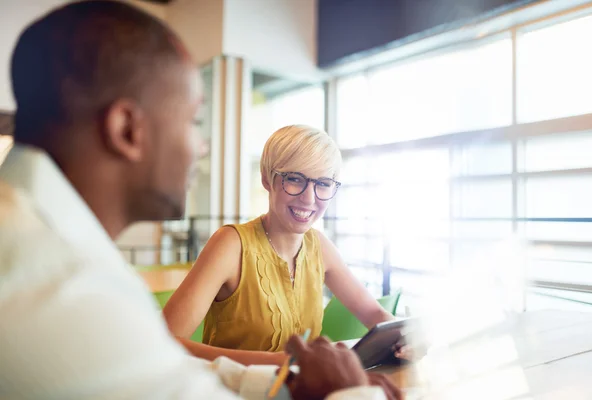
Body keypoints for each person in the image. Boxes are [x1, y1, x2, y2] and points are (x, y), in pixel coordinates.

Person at [0, 1, 401, 399]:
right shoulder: (60, 288)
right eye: (193, 120)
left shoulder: (45, 241)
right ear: (126, 129)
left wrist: (291, 380)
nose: (202, 147)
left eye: (323, 184)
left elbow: (167, 370)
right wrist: (349, 393)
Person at [163, 125, 398, 366]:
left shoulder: (320, 247)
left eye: (323, 183)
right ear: (267, 179)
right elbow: (164, 341)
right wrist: (279, 362)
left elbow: (375, 315)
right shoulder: (231, 245)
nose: (309, 198)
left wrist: (403, 341)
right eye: (295, 179)